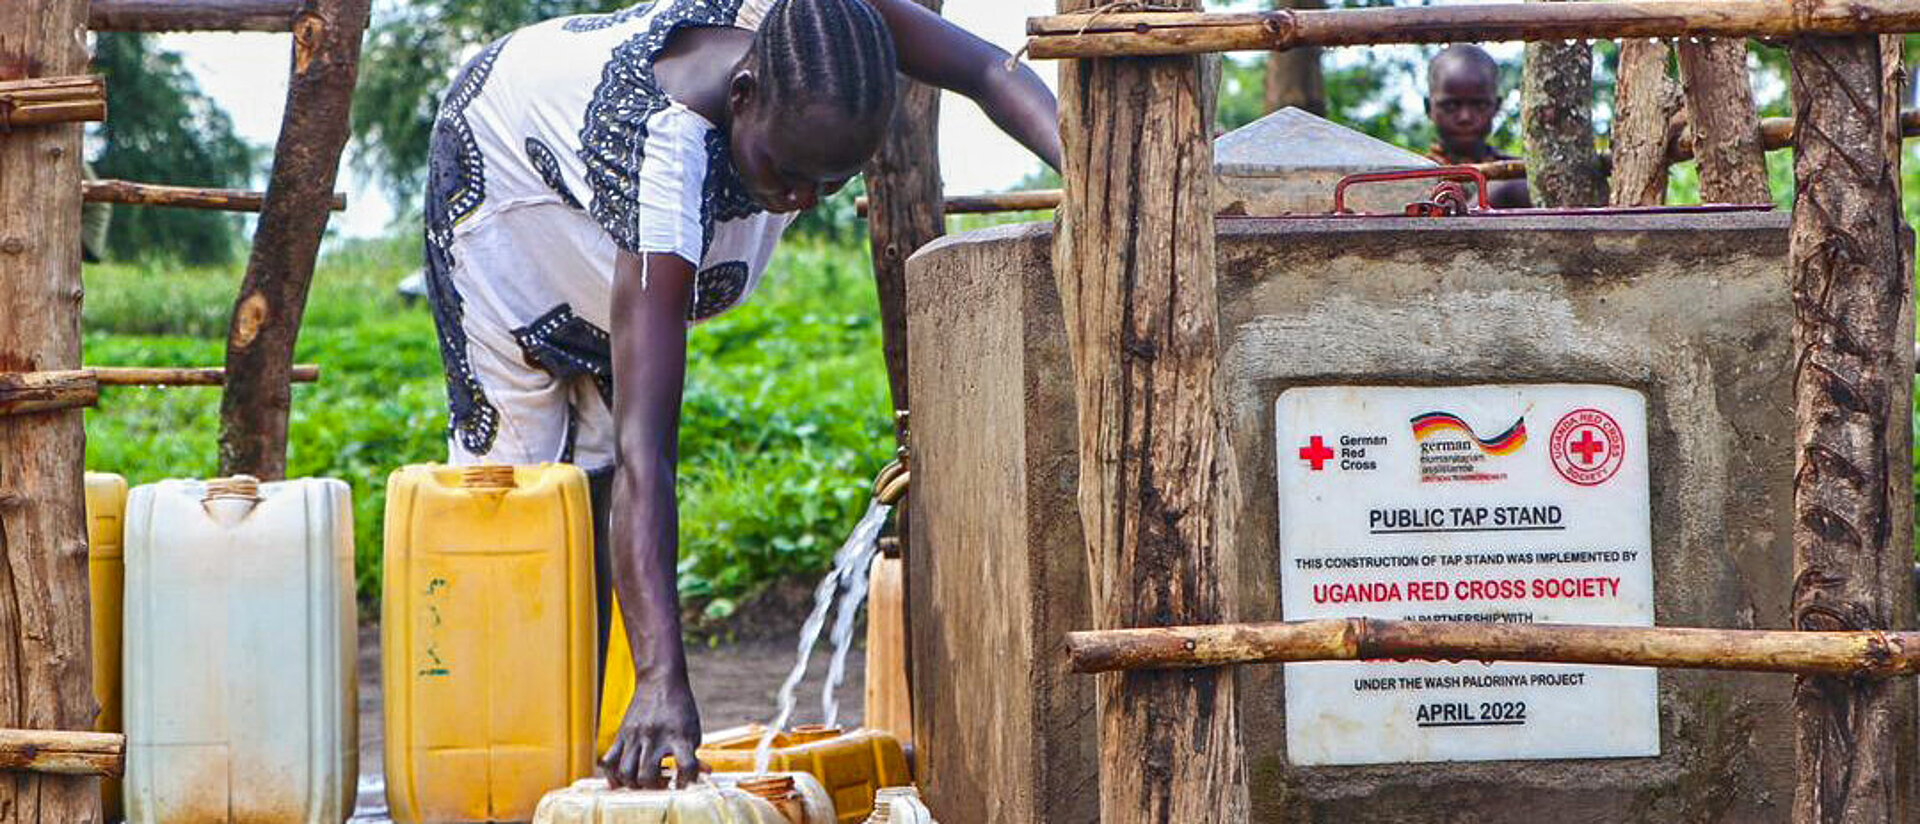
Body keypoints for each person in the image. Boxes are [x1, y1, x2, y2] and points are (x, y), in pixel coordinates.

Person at [421, 0, 1061, 790]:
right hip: (506, 191)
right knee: (523, 503)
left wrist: (1093, 177)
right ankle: (523, 772)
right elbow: (647, 448)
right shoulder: (664, 151)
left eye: (834, 181)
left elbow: (989, 68)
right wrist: (666, 678)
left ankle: (588, 754)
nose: (804, 199)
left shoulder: (826, 25)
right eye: (790, 173)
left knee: (596, 471)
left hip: (615, 213)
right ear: (746, 93)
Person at [1423, 44, 1530, 209]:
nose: (1465, 117)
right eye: (1451, 106)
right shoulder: (1408, 178)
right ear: (1429, 108)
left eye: (1479, 105)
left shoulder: (1521, 174)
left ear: (1497, 106)